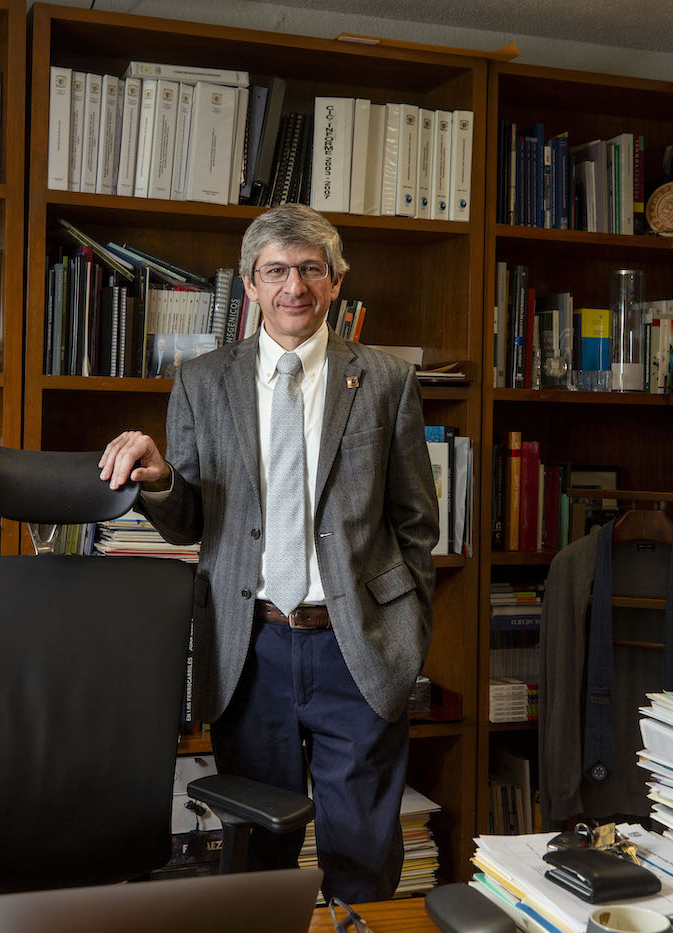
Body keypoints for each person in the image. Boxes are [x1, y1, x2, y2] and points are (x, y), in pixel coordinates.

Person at [98, 203, 438, 903]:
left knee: (364, 848)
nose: (295, 287)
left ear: (337, 281)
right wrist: (161, 481)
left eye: (312, 269)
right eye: (276, 271)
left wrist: (408, 634)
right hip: (247, 648)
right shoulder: (201, 381)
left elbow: (416, 525)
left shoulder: (385, 380)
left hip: (358, 648)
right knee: (259, 852)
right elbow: (190, 521)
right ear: (250, 285)